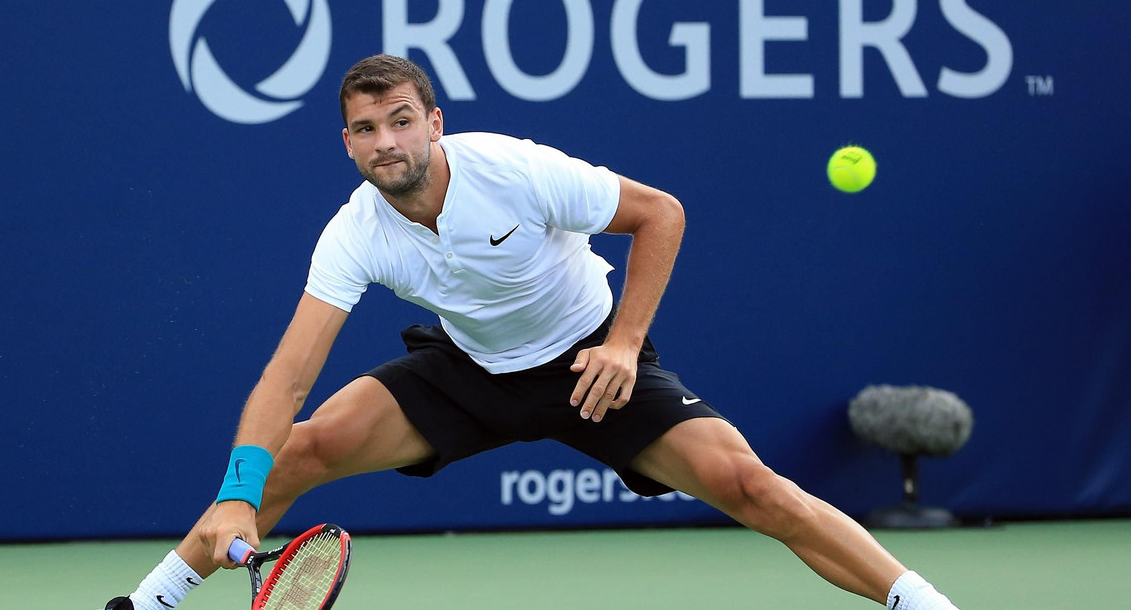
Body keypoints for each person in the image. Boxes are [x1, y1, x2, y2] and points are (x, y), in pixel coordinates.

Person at [105, 54, 957, 610]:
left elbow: (660, 214)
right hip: (465, 369)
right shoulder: (354, 231)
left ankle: (924, 604)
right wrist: (235, 493)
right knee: (292, 454)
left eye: (401, 118)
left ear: (434, 123)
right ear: (348, 144)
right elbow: (286, 378)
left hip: (588, 363)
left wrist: (623, 343)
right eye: (366, 129)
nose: (386, 140)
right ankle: (149, 602)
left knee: (753, 488)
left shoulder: (512, 169)